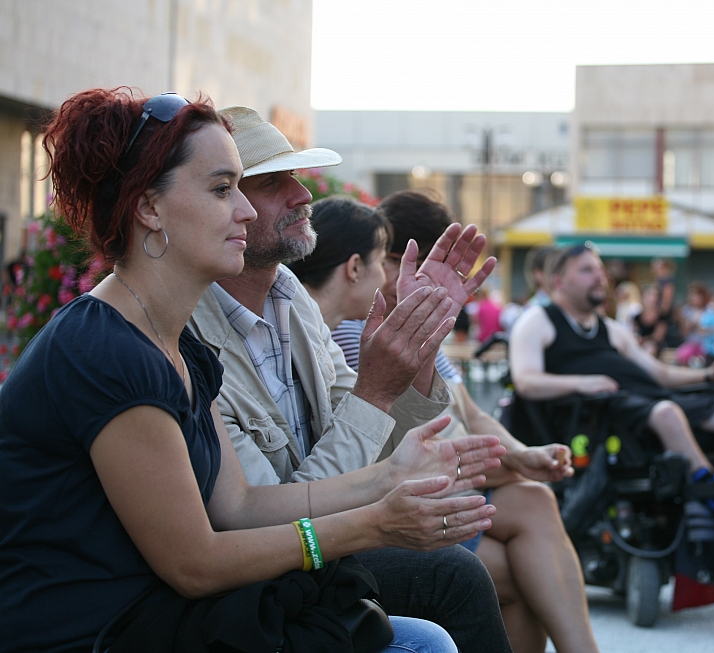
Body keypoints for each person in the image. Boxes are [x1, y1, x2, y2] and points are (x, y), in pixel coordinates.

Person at [0, 89, 501, 652]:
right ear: (148, 208)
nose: (244, 209)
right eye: (223, 189)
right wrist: (375, 521)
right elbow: (196, 564)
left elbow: (238, 505)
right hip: (105, 636)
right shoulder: (106, 350)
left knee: (426, 636)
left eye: (243, 186)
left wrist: (390, 475)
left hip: (169, 620)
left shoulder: (173, 340)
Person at [186, 108, 514, 653]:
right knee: (456, 575)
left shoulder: (289, 295)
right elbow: (262, 519)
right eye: (272, 183)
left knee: (488, 548)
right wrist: (377, 390)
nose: (301, 195)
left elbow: (380, 444)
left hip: (321, 550)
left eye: (296, 177)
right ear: (223, 204)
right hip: (265, 575)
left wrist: (419, 350)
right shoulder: (187, 330)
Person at [321, 191, 602, 653]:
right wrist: (514, 461)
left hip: (448, 482)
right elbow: (417, 445)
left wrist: (520, 454)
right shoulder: (363, 328)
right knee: (521, 571)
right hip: (416, 494)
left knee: (533, 504)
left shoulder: (411, 322)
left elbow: (469, 412)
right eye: (387, 259)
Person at [510, 243, 714, 544]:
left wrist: (709, 375)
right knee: (667, 412)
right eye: (587, 270)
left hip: (650, 400)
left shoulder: (611, 329)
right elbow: (525, 381)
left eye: (600, 269)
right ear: (559, 281)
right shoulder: (538, 320)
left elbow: (660, 374)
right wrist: (580, 383)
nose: (600, 276)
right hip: (607, 416)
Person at [633, 283, 666, 356]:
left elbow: (658, 337)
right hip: (639, 346)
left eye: (655, 296)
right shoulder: (637, 317)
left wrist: (643, 340)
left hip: (655, 347)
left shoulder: (661, 316)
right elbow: (634, 333)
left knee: (650, 347)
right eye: (649, 295)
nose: (652, 299)